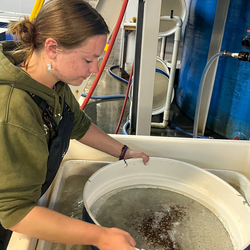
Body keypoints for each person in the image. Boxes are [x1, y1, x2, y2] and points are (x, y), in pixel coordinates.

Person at [0, 0, 149, 249]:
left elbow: (77, 124)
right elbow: (14, 213)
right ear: (52, 48)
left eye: (99, 59)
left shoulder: (51, 80)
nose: (96, 69)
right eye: (89, 59)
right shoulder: (13, 111)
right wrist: (102, 236)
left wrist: (124, 152)